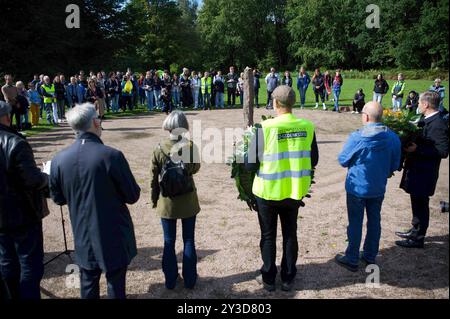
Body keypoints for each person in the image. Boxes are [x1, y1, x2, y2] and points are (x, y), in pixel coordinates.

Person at [49, 103, 140, 299]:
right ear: (95, 122)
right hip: (113, 233)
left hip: (82, 234)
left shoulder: (59, 160)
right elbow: (132, 195)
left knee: (88, 284)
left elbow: (58, 198)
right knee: (115, 284)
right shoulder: (111, 156)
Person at [245, 85, 319, 292]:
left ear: (275, 103)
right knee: (290, 234)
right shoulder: (307, 126)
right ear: (293, 103)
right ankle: (287, 277)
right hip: (294, 190)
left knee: (268, 236)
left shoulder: (265, 128)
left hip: (267, 191)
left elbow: (250, 164)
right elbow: (314, 159)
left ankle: (268, 278)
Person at [335, 101, 401, 271]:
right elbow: (395, 165)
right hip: (378, 187)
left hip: (357, 187)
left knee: (355, 222)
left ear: (365, 116)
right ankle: (370, 255)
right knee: (374, 220)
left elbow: (343, 160)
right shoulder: (393, 137)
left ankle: (352, 257)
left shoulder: (357, 137)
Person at [0, 101, 49, 299]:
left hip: (2, 219)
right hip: (22, 214)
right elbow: (32, 180)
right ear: (6, 117)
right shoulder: (15, 142)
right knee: (29, 264)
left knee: (6, 262)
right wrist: (46, 175)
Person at [150, 111, 201, 290]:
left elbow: (153, 178)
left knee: (168, 241)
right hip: (187, 200)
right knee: (188, 240)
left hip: (167, 202)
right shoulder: (190, 146)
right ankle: (190, 280)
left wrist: (154, 200)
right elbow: (195, 169)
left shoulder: (158, 148)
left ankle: (170, 280)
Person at [396, 92, 449, 248]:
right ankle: (414, 229)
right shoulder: (426, 120)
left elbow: (443, 151)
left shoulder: (438, 123)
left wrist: (417, 149)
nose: (418, 105)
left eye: (419, 102)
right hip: (417, 169)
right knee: (416, 200)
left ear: (426, 104)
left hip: (425, 172)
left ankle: (418, 237)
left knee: (421, 202)